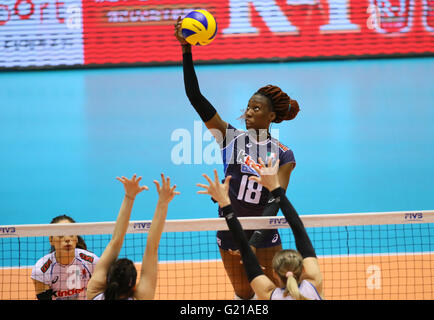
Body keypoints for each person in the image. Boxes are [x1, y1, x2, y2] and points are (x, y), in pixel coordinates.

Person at [174, 16, 300, 300]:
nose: (249, 111)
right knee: (244, 295)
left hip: (264, 234)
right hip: (230, 229)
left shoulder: (284, 154)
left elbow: (276, 199)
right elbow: (195, 97)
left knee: (274, 293)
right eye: (248, 106)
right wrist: (186, 51)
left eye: (257, 108)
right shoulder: (230, 138)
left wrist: (254, 242)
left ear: (271, 117)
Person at [197, 160, 323, 300]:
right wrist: (276, 188)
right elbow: (299, 229)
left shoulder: (268, 294)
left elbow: (245, 251)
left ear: (275, 273)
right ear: (304, 270)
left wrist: (225, 204)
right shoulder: (314, 285)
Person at [86, 173, 179, 300]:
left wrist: (129, 196)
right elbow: (152, 247)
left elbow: (116, 242)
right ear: (134, 287)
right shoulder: (142, 297)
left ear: (107, 280)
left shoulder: (93, 292)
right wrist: (163, 202)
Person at [31, 215, 100, 300]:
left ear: (76, 238)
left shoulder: (92, 262)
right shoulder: (41, 270)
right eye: (60, 235)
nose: (67, 239)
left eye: (71, 234)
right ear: (51, 240)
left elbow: (101, 292)